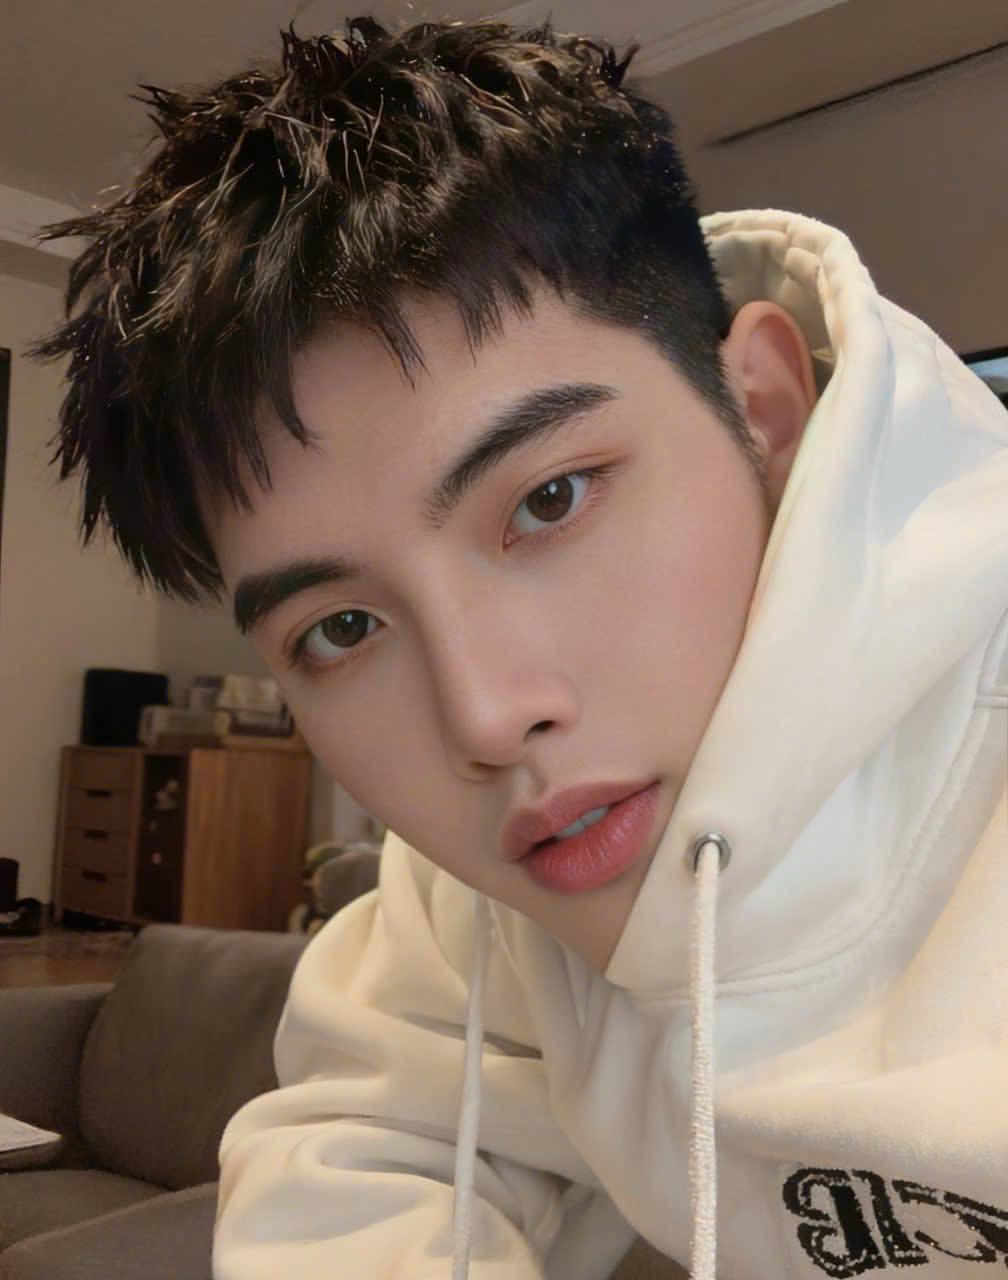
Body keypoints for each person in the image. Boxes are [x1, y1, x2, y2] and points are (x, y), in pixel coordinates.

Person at [29, 16, 1008, 1280]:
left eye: (550, 499)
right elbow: (358, 1146)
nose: (485, 717)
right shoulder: (489, 887)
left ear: (762, 412)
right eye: (341, 628)